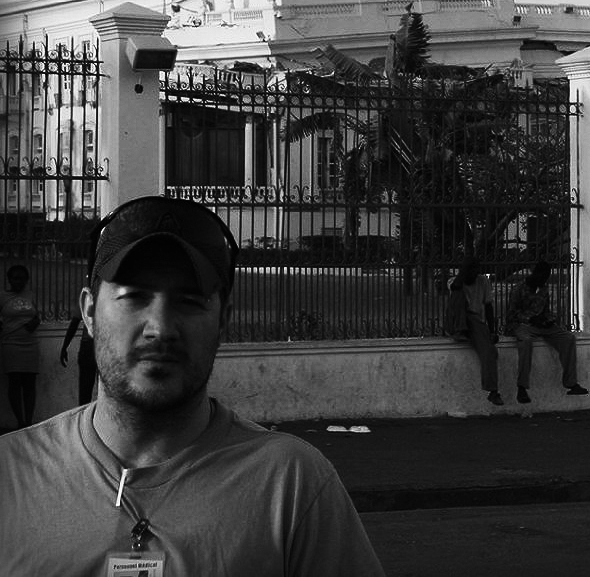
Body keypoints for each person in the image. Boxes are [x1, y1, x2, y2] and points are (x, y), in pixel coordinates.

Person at [0, 195, 386, 575]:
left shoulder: (292, 484)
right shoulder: (10, 473)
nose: (161, 328)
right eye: (134, 297)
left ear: (223, 319)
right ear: (88, 312)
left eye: (189, 301)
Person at [505, 261, 588, 403]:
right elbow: (512, 314)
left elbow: (546, 311)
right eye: (543, 276)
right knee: (526, 342)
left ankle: (571, 383)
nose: (545, 279)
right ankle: (522, 387)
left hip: (540, 325)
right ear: (535, 273)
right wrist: (531, 318)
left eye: (547, 276)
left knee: (568, 338)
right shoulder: (518, 289)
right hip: (521, 325)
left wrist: (548, 319)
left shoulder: (543, 289)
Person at [450, 258, 504, 406]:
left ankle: (493, 391)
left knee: (489, 352)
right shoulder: (455, 282)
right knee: (458, 294)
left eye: (476, 272)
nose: (473, 276)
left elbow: (488, 306)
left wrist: (492, 330)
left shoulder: (483, 281)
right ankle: (460, 330)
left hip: (475, 321)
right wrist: (463, 274)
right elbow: (455, 288)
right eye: (471, 272)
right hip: (457, 321)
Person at [1, 263, 42, 428]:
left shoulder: (30, 295)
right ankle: (20, 421)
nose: (19, 281)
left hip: (30, 345)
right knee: (15, 382)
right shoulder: (2, 296)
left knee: (30, 383)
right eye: (15, 278)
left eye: (22, 278)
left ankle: (28, 422)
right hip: (11, 344)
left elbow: (37, 315)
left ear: (27, 280)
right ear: (9, 280)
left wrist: (34, 322)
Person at [60, 312, 99, 404]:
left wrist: (65, 347)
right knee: (105, 391)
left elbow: (74, 323)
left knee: (85, 392)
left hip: (88, 345)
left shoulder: (87, 298)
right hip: (102, 345)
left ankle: (85, 416)